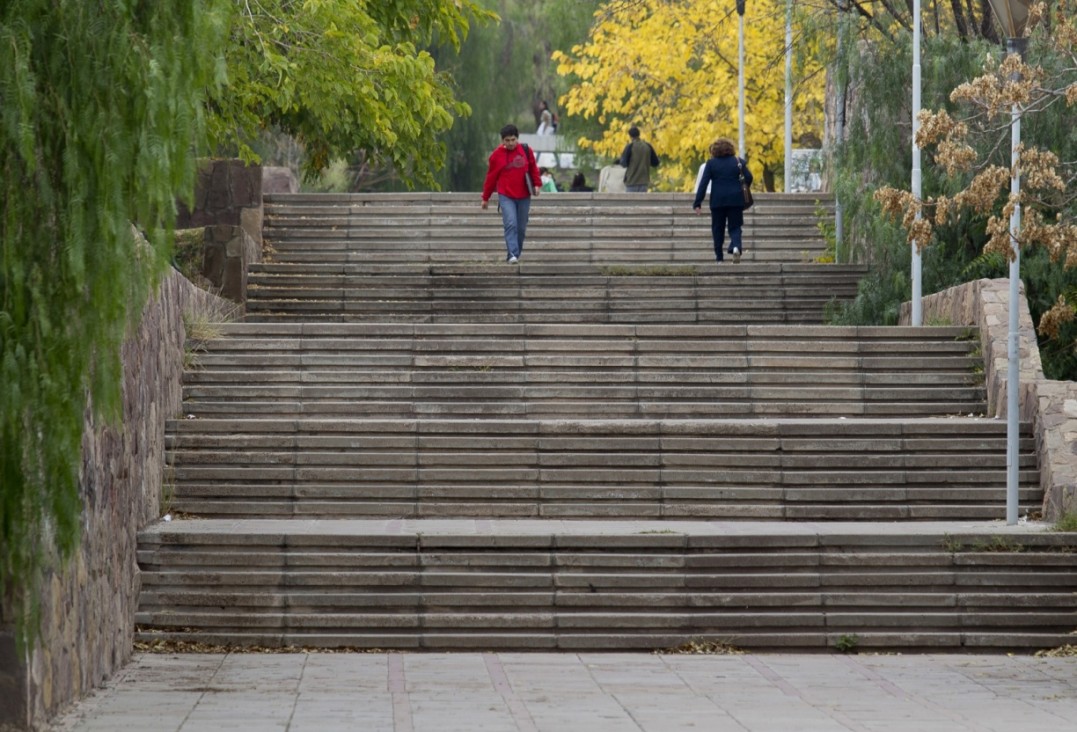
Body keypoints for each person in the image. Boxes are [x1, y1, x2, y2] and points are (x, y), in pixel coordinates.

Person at [481, 124, 542, 263]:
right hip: (506, 195)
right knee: (510, 224)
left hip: (524, 195)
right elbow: (490, 178)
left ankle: (516, 254)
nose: (510, 143)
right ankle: (512, 254)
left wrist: (537, 185)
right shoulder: (496, 156)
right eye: (507, 140)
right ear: (502, 141)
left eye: (513, 140)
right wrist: (485, 198)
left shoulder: (526, 150)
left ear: (517, 138)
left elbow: (533, 169)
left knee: (521, 228)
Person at [693, 138, 753, 264]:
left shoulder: (711, 164)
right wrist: (740, 188)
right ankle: (736, 246)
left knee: (717, 228)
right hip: (735, 200)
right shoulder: (738, 162)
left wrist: (697, 202)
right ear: (730, 149)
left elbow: (703, 184)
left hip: (717, 201)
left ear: (714, 150)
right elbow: (749, 177)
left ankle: (719, 258)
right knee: (735, 226)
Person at [618, 126, 659, 192]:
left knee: (631, 202)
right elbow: (655, 163)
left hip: (631, 182)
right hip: (644, 182)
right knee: (642, 202)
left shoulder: (630, 147)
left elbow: (623, 163)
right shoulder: (647, 146)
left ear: (630, 136)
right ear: (639, 134)